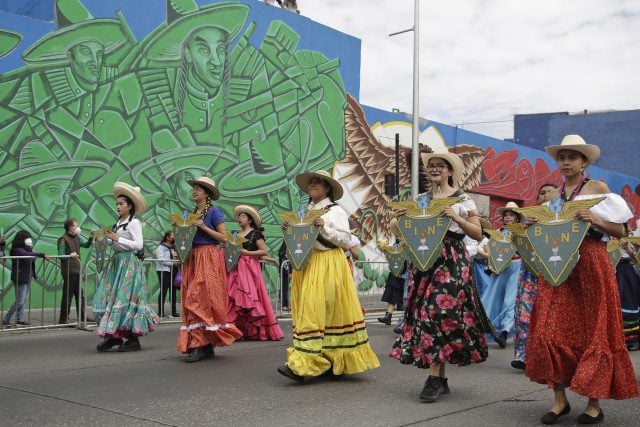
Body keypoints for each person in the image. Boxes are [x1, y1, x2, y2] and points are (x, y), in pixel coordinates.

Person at [525, 135, 639, 425]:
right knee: (550, 329)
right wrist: (534, 224)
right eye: (561, 157)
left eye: (571, 157)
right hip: (560, 266)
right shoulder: (555, 197)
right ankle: (559, 400)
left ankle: (593, 404)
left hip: (591, 262)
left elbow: (621, 231)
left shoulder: (597, 189)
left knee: (594, 330)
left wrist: (596, 220)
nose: (565, 162)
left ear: (584, 162)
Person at [389, 147, 488, 403]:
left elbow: (478, 233)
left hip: (451, 257)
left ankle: (435, 379)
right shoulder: (420, 199)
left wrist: (456, 216)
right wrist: (398, 220)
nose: (434, 168)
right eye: (431, 165)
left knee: (437, 312)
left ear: (449, 171)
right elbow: (401, 233)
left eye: (440, 165)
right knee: (426, 314)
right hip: (425, 258)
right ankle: (438, 377)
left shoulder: (462, 199)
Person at [277, 170, 380, 382]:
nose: (313, 185)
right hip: (307, 263)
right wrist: (289, 229)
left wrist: (324, 227)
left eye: (318, 182)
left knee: (314, 309)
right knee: (311, 310)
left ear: (327, 189)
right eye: (311, 182)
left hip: (327, 262)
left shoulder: (335, 211)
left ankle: (303, 364)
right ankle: (326, 358)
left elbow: (345, 239)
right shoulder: (305, 210)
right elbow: (301, 239)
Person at [177, 177, 242, 362]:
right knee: (194, 298)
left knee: (199, 298)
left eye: (199, 189)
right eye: (194, 189)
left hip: (208, 256)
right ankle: (204, 345)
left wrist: (204, 226)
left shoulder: (213, 212)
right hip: (194, 257)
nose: (195, 191)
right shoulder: (192, 213)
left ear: (207, 193)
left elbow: (223, 238)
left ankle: (200, 344)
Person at [93, 183, 159, 352]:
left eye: (121, 204)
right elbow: (114, 242)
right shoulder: (118, 222)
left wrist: (118, 239)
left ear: (130, 206)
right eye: (117, 204)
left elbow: (138, 244)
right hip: (117, 264)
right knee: (109, 297)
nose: (118, 207)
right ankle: (113, 335)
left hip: (129, 264)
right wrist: (104, 238)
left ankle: (132, 339)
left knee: (125, 299)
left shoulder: (134, 223)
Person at [481, 202, 535, 353]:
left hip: (517, 266)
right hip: (500, 268)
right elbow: (491, 249)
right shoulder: (498, 232)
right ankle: (486, 329)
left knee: (510, 300)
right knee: (491, 298)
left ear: (517, 218)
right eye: (506, 215)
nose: (508, 218)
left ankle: (505, 332)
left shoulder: (522, 231)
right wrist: (491, 264)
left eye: (511, 215)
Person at [226, 205, 284, 341]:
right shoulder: (235, 234)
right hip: (236, 269)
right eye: (239, 216)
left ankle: (250, 330)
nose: (240, 218)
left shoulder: (255, 234)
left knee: (250, 299)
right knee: (235, 299)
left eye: (243, 216)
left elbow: (263, 251)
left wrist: (248, 253)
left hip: (250, 270)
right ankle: (235, 330)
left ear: (250, 220)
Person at [3, 231, 49, 327]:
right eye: (27, 237)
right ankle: (7, 318)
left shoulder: (27, 249)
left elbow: (31, 257)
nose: (29, 239)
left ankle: (20, 319)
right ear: (21, 239)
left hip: (27, 276)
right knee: (20, 300)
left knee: (23, 299)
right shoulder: (17, 250)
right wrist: (41, 254)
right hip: (20, 277)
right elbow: (27, 255)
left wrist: (33, 253)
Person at [57, 218, 94, 325]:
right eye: (75, 226)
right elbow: (61, 255)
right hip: (69, 271)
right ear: (70, 227)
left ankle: (82, 317)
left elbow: (86, 245)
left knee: (80, 295)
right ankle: (63, 318)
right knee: (67, 295)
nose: (78, 228)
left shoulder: (77, 238)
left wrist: (91, 237)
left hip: (77, 270)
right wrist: (70, 255)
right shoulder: (63, 239)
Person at [616, 230, 640, 351]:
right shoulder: (603, 233)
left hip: (625, 270)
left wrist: (627, 248)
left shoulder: (629, 234)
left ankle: (632, 339)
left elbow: (635, 259)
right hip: (610, 267)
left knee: (628, 303)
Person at [155, 231, 179, 318]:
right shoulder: (161, 247)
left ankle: (173, 312)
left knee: (173, 293)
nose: (174, 239)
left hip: (174, 272)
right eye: (173, 237)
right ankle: (161, 312)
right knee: (163, 291)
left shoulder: (174, 247)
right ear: (167, 237)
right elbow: (161, 259)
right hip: (164, 271)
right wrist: (173, 263)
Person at [277, 241, 291, 311]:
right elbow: (285, 263)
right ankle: (284, 304)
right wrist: (289, 272)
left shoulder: (283, 251)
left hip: (285, 271)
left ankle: (286, 303)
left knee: (285, 288)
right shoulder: (283, 252)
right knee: (284, 288)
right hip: (284, 271)